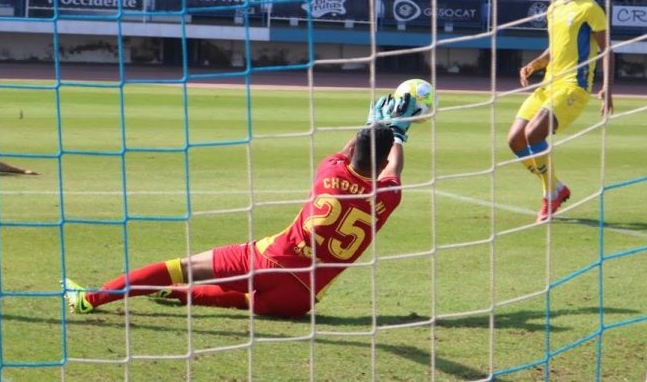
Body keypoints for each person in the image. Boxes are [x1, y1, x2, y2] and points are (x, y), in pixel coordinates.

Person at [63, 93, 424, 317]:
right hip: (302, 299)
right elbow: (393, 166)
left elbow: (353, 152)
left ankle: (90, 300)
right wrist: (398, 133)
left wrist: (373, 124)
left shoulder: (329, 170)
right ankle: (170, 294)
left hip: (269, 261)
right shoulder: (389, 195)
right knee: (246, 300)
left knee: (182, 266)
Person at [508, 0, 611, 223]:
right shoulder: (554, 7)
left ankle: (550, 194)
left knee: (533, 133)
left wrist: (608, 86)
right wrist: (536, 63)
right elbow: (556, 48)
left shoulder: (590, 8)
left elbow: (606, 49)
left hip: (573, 87)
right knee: (515, 139)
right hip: (548, 84)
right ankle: (557, 188)